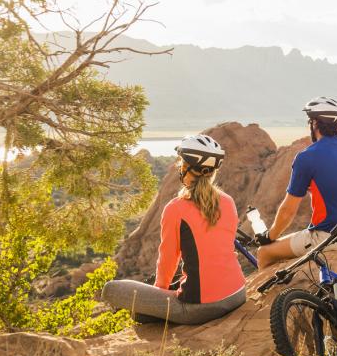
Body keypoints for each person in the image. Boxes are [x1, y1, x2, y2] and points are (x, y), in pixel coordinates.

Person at [102, 134, 246, 324]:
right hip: (237, 293)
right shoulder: (228, 201)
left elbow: (168, 259)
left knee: (112, 289)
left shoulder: (176, 208)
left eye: (181, 163)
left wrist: (157, 294)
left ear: (186, 168)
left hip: (200, 308)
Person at [256, 96, 337, 269]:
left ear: (315, 123)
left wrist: (270, 236)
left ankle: (274, 295)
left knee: (264, 252)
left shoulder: (306, 157)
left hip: (333, 236)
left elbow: (288, 211)